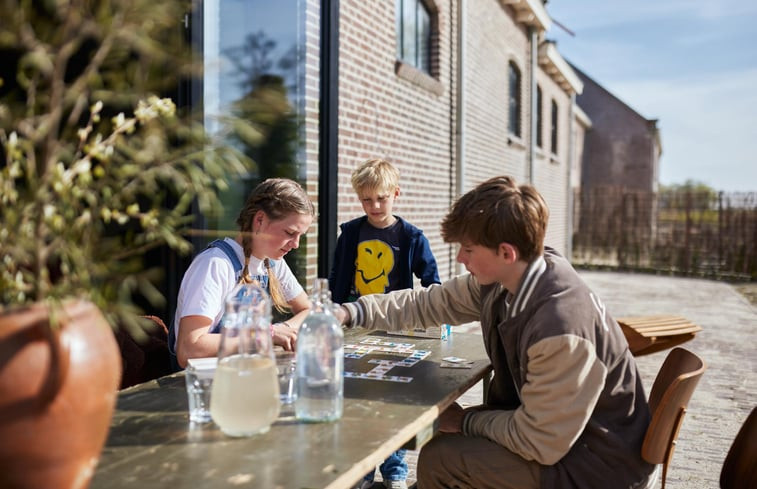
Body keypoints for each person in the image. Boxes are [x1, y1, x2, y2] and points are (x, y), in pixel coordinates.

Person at [336, 176, 657, 489]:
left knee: (442, 459)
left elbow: (540, 441)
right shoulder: (513, 276)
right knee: (437, 439)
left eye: (468, 250)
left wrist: (465, 421)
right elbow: (431, 302)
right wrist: (352, 311)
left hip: (597, 464)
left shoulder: (560, 328)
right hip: (564, 435)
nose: (460, 259)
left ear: (506, 252)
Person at [329, 158, 440, 489]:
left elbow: (432, 281)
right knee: (357, 398)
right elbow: (337, 277)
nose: (374, 206)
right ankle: (362, 469)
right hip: (354, 326)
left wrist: (435, 320)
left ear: (395, 193)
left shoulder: (411, 237)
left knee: (390, 402)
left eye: (381, 198)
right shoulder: (350, 234)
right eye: (366, 199)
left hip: (395, 328)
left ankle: (394, 470)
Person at [170, 178, 314, 369]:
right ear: (260, 220)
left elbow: (307, 310)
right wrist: (265, 335)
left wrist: (284, 330)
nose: (296, 244)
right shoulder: (215, 265)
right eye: (289, 232)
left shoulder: (272, 262)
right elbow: (189, 349)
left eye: (300, 236)